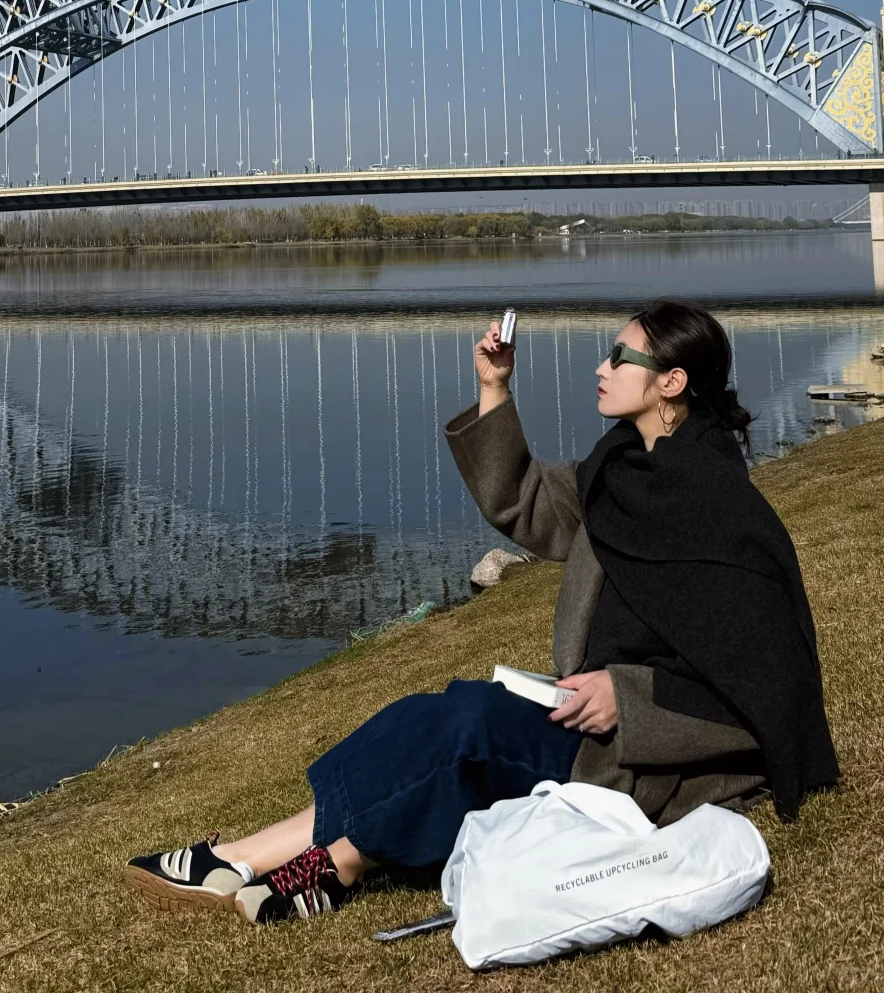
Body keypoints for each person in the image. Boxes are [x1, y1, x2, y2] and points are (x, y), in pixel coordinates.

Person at [125, 300, 839, 925]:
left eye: (619, 355)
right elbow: (522, 500)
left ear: (671, 383)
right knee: (432, 718)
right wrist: (493, 386)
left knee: (465, 731)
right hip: (581, 716)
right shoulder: (623, 471)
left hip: (642, 756)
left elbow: (766, 676)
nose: (600, 365)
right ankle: (317, 862)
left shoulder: (715, 506)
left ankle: (246, 861)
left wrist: (628, 697)